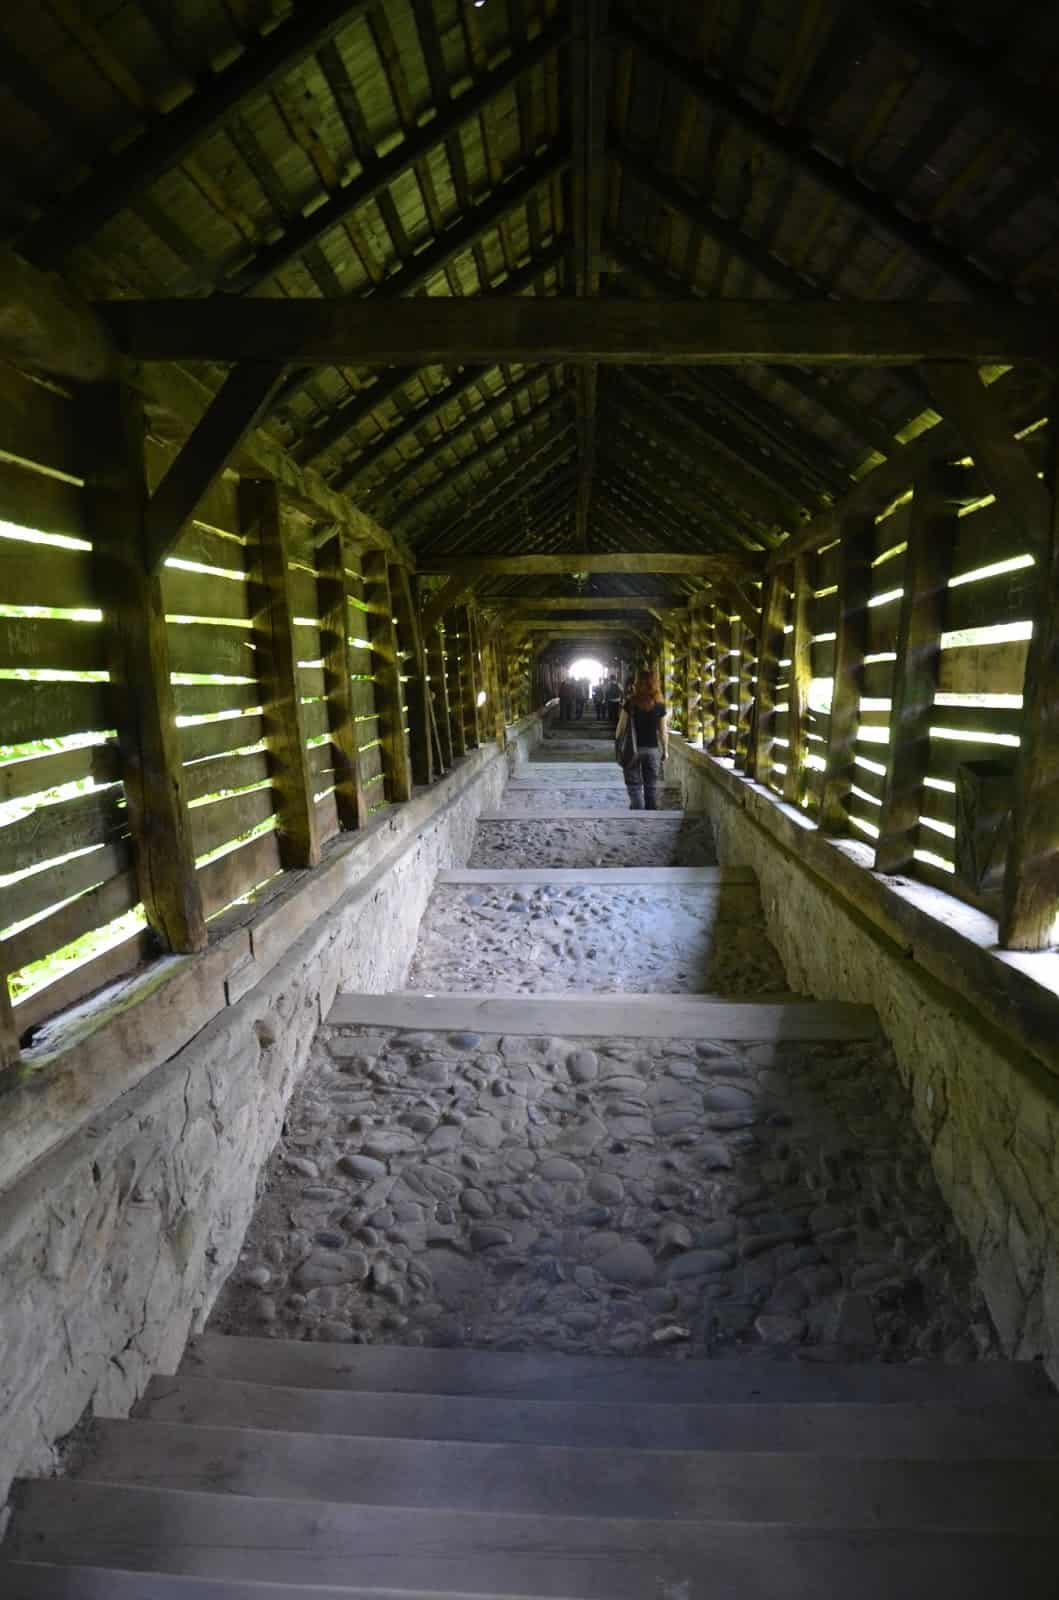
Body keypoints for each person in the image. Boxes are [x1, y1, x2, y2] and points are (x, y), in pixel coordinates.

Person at [616, 669, 669, 811]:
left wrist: (618, 748)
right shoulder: (660, 705)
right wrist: (665, 750)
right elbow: (663, 732)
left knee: (633, 785)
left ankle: (637, 809)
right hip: (652, 750)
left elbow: (620, 729)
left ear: (637, 684)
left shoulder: (630, 703)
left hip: (632, 750)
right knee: (651, 785)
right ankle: (650, 812)